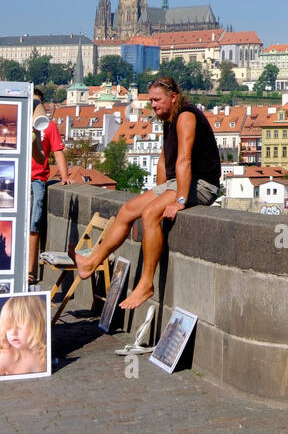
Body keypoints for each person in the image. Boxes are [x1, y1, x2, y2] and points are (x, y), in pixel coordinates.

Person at [75, 76, 221, 311]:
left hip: (201, 184)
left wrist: (180, 200)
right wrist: (158, 191)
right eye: (151, 100)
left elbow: (184, 160)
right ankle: (91, 262)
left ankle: (146, 284)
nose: (152, 105)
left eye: (156, 100)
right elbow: (164, 161)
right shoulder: (168, 119)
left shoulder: (185, 116)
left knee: (151, 214)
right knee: (127, 210)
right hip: (178, 182)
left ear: (173, 97)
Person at [30, 88, 69, 286]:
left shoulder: (48, 127)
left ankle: (30, 270)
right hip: (17, 180)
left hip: (37, 179)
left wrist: (65, 176)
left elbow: (58, 152)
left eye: (38, 104)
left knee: (33, 224)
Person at [0, 294, 48, 377]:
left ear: (37, 325)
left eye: (19, 326)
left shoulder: (45, 355)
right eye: (8, 327)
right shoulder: (6, 357)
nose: (13, 332)